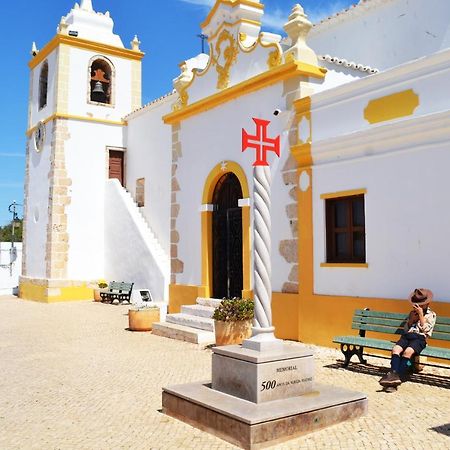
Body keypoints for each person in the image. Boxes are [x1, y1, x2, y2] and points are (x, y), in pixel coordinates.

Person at [379, 288, 437, 387]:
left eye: (421, 304)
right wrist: (411, 320)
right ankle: (394, 374)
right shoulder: (412, 313)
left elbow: (426, 331)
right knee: (395, 349)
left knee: (407, 352)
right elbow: (406, 330)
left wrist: (421, 316)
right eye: (417, 304)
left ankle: (396, 376)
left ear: (427, 304)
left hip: (419, 338)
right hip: (407, 336)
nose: (418, 306)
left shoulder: (432, 315)